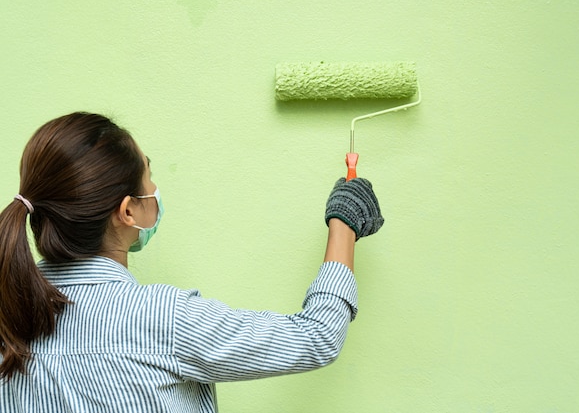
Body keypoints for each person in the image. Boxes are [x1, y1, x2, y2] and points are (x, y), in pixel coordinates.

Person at [0, 112, 384, 412]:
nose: (154, 190)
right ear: (128, 212)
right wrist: (344, 224)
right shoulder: (162, 319)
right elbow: (316, 337)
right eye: (148, 176)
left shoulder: (7, 319)